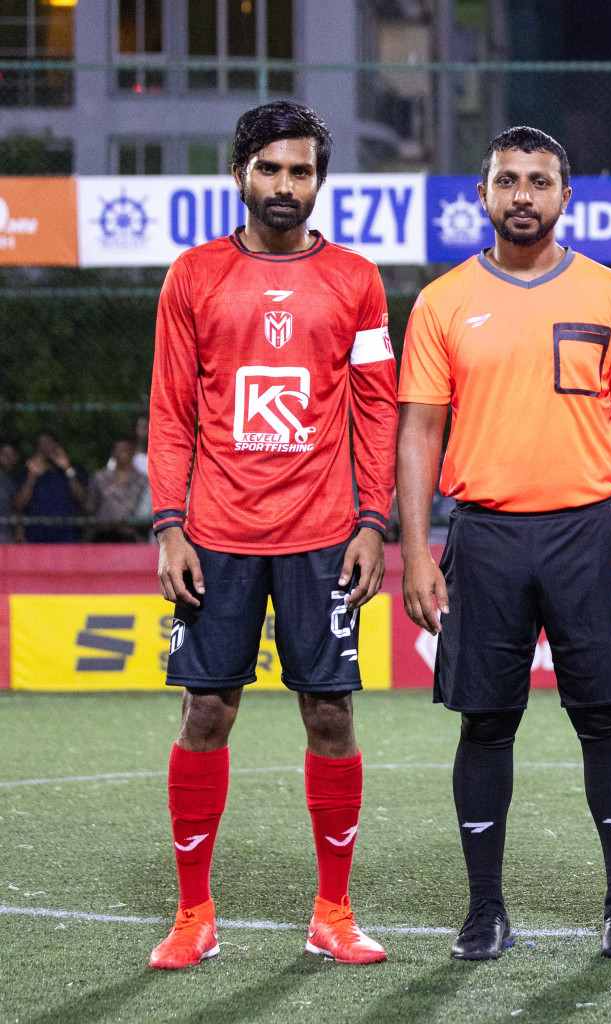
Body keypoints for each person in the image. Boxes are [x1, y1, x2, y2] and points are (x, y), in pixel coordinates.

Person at [397, 126, 611, 962]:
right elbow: (418, 435)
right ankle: (485, 910)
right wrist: (414, 551)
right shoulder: (443, 300)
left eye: (539, 181)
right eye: (508, 180)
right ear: (484, 195)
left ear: (564, 197)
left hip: (590, 533)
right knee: (484, 724)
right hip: (483, 537)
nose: (523, 195)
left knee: (603, 719)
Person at [146, 101, 397, 969]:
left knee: (330, 714)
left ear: (319, 182)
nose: (285, 185)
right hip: (215, 535)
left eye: (301, 172)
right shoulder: (193, 276)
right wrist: (169, 524)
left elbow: (377, 412)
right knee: (206, 710)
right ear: (240, 174)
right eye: (270, 169)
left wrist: (374, 522)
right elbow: (171, 411)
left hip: (325, 536)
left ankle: (333, 912)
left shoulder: (359, 282)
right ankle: (192, 916)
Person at [12, 431, 87, 542]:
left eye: (48, 444)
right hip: (35, 534)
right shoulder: (26, 473)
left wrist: (67, 468)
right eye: (41, 445)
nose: (45, 449)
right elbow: (19, 505)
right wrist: (31, 476)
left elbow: (82, 498)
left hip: (67, 534)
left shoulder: (74, 468)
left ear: (57, 446)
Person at [87, 439, 151, 542]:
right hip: (104, 537)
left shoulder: (143, 481)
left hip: (134, 539)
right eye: (119, 450)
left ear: (133, 452)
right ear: (113, 453)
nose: (123, 453)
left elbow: (147, 511)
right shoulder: (100, 478)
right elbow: (90, 507)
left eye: (126, 449)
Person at [0, 440, 19, 542]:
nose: (8, 458)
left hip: (8, 534)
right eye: (4, 454)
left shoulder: (16, 479)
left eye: (11, 454)